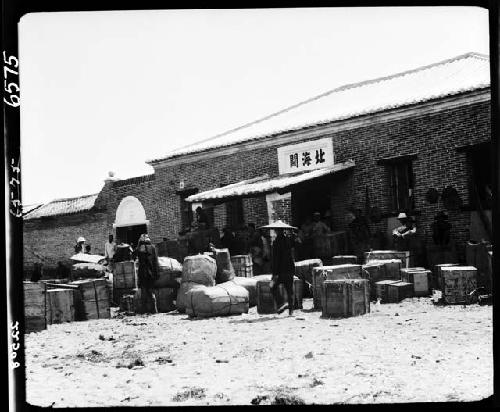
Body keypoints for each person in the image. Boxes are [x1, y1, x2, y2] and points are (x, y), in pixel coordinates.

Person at [261, 220, 297, 316]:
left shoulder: (276, 242)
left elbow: (276, 259)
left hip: (280, 271)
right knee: (290, 290)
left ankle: (281, 303)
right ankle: (291, 311)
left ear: (277, 231)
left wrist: (274, 273)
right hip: (290, 269)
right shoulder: (289, 240)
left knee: (272, 287)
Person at [133, 234, 159, 314]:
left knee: (143, 291)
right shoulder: (153, 248)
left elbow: (133, 255)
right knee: (151, 291)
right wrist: (156, 274)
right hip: (151, 272)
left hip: (143, 273)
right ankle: (154, 310)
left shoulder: (139, 248)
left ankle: (144, 309)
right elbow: (155, 262)